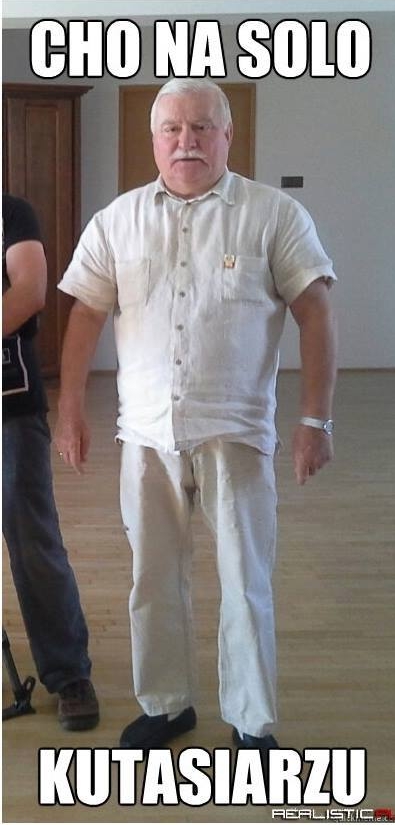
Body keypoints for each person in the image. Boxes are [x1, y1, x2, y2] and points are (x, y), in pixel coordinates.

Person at [55, 77, 337, 753]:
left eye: (202, 127)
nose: (187, 141)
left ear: (227, 135)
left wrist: (315, 420)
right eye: (172, 128)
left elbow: (315, 310)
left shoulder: (272, 216)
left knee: (245, 582)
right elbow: (86, 313)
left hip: (236, 434)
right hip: (145, 435)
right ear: (154, 139)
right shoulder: (117, 220)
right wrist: (69, 408)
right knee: (151, 580)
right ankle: (165, 705)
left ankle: (251, 720)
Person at [2, 193, 99, 731]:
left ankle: (68, 673)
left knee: (34, 544)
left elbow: (29, 291)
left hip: (9, 407)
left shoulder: (11, 213)